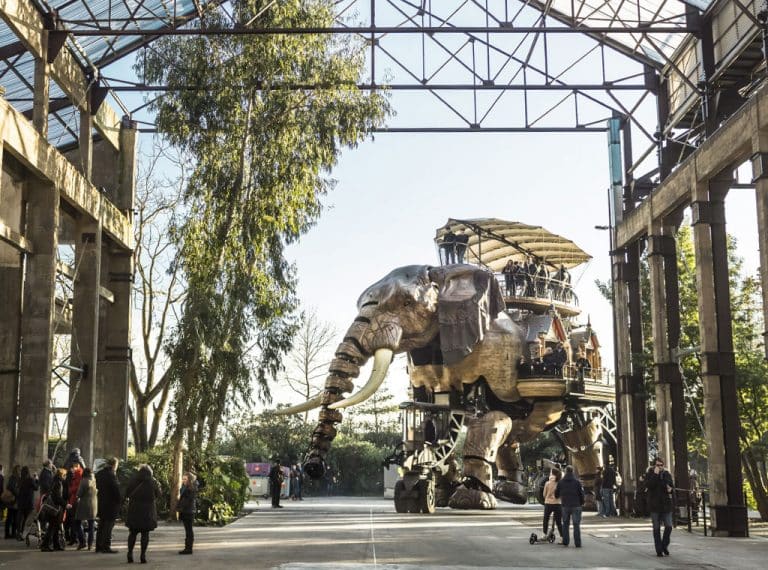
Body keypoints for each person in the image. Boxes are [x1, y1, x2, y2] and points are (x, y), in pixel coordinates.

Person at [124, 464, 161, 564]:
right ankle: (142, 555)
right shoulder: (153, 482)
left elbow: (127, 493)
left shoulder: (133, 480)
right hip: (147, 511)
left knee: (132, 533)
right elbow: (159, 494)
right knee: (145, 534)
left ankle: (130, 553)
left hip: (134, 510)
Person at [645, 456, 674, 557]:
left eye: (661, 465)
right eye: (658, 465)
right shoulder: (650, 474)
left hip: (666, 505)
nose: (660, 467)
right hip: (654, 505)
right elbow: (649, 485)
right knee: (656, 528)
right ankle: (659, 550)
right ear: (654, 465)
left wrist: (670, 488)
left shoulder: (666, 474)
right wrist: (655, 474)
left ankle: (664, 545)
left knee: (669, 526)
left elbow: (670, 485)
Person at [95, 457, 121, 553]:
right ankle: (106, 546)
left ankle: (98, 546)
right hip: (111, 504)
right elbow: (116, 490)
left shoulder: (99, 474)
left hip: (101, 502)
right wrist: (119, 500)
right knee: (108, 526)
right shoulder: (111, 475)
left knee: (101, 525)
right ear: (114, 465)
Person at [555, 465, 584, 548]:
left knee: (565, 524)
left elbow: (556, 494)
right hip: (576, 505)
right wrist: (581, 503)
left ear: (565, 471)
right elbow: (581, 494)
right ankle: (577, 543)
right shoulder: (577, 482)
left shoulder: (561, 482)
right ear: (572, 472)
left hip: (565, 506)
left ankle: (566, 541)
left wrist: (560, 496)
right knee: (576, 525)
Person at [40, 468, 68, 552]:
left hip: (53, 508)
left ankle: (56, 544)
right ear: (62, 475)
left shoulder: (54, 481)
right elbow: (57, 497)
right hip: (56, 508)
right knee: (52, 527)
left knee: (55, 527)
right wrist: (65, 504)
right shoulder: (58, 483)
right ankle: (45, 545)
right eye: (65, 475)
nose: (65, 477)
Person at [74, 467, 97, 550]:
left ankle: (82, 542)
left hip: (84, 504)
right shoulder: (94, 480)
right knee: (91, 525)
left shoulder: (84, 481)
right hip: (94, 504)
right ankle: (90, 544)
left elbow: (79, 494)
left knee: (77, 522)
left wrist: (76, 498)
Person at [177, 471, 198, 555]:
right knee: (188, 530)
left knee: (189, 530)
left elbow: (187, 501)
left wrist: (181, 507)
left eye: (185, 479)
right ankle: (187, 548)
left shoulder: (191, 489)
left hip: (189, 511)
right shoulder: (185, 487)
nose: (183, 480)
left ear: (189, 480)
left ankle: (188, 548)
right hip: (186, 511)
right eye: (183, 479)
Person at [15, 466, 38, 540]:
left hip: (21, 502)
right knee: (26, 519)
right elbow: (36, 488)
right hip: (28, 502)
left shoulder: (19, 480)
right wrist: (36, 479)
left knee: (20, 519)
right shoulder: (30, 480)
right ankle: (23, 533)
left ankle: (18, 533)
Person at [542, 469, 563, 543]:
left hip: (548, 503)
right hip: (558, 504)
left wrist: (548, 497)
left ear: (552, 473)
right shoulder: (560, 483)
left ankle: (544, 534)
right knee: (558, 522)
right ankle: (562, 537)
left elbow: (544, 494)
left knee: (546, 519)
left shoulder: (547, 483)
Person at [65, 460, 83, 545]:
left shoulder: (77, 474)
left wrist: (70, 490)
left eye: (74, 466)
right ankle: (75, 538)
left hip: (74, 500)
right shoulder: (79, 474)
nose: (72, 468)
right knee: (75, 521)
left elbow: (75, 488)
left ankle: (74, 538)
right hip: (75, 500)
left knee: (74, 521)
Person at [3, 465, 20, 539]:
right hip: (12, 500)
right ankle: (8, 534)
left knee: (14, 518)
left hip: (15, 500)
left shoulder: (16, 478)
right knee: (10, 518)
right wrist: (18, 494)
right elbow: (11, 487)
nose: (20, 471)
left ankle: (12, 533)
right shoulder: (13, 478)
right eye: (19, 470)